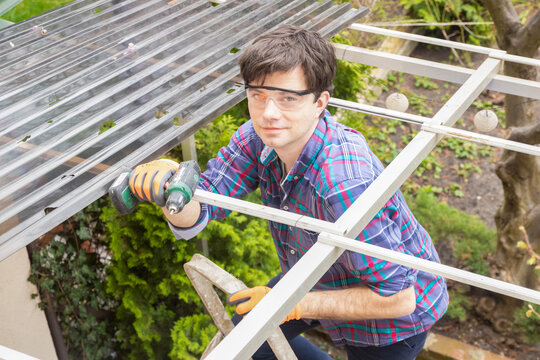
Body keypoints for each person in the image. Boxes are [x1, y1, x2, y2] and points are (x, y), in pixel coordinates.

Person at [129, 25, 448, 360]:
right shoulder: (255, 138)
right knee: (248, 339)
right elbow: (203, 204)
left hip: (391, 321)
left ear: (319, 102)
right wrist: (170, 188)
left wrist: (294, 304)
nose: (269, 114)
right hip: (317, 270)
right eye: (258, 96)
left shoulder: (343, 183)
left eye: (287, 98)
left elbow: (398, 298)